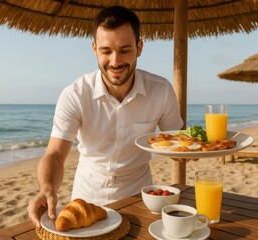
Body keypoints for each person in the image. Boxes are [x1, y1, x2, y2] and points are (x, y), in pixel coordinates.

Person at [27, 5, 185, 228]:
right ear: (94, 49)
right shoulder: (75, 94)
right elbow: (54, 154)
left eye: (124, 50)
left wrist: (192, 150)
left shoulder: (161, 90)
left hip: (140, 201)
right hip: (87, 202)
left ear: (139, 48)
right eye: (106, 51)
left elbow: (179, 144)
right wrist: (46, 190)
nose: (115, 61)